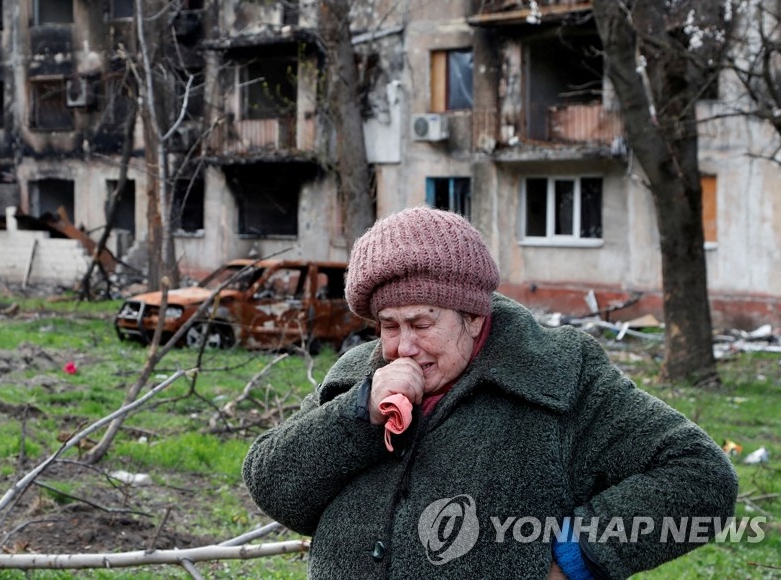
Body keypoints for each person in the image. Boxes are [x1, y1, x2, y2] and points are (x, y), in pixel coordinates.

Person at [243, 206, 738, 579]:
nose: (404, 348)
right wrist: (357, 415)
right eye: (389, 326)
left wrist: (577, 556)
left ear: (474, 315)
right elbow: (273, 487)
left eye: (422, 322)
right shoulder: (358, 376)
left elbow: (699, 475)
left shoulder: (556, 372)